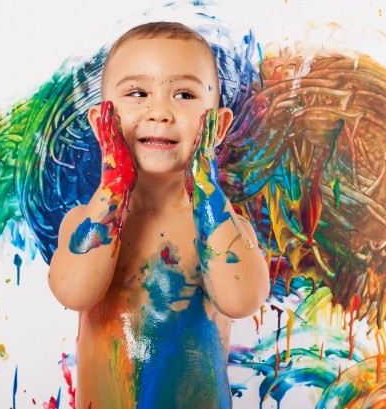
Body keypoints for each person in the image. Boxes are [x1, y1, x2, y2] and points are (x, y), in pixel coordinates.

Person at [48, 21, 270, 409]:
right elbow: (74, 291)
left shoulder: (225, 232)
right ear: (103, 121)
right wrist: (114, 186)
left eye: (184, 94)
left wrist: (206, 191)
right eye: (138, 93)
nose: (160, 111)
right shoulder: (84, 222)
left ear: (217, 126)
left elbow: (242, 301)